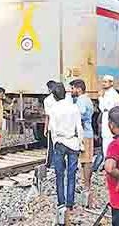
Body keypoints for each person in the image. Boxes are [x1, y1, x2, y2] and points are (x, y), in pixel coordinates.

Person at [49, 83, 83, 220]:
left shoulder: (53, 108)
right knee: (71, 174)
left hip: (60, 142)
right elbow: (79, 127)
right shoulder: (74, 107)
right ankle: (70, 203)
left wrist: (55, 142)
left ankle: (61, 202)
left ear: (54, 96)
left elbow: (52, 127)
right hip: (73, 143)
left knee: (59, 174)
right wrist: (80, 143)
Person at [69, 79, 95, 208]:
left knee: (86, 161)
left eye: (73, 88)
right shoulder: (86, 99)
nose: (71, 91)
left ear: (79, 88)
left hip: (84, 134)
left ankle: (86, 187)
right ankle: (86, 185)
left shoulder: (81, 100)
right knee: (86, 160)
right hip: (87, 133)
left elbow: (81, 113)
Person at [100, 75, 119, 155]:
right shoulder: (107, 93)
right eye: (103, 82)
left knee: (108, 141)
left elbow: (105, 108)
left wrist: (100, 98)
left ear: (111, 83)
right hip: (106, 119)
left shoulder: (113, 94)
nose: (103, 84)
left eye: (105, 82)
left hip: (110, 119)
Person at [43, 80, 59, 168]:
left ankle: (51, 163)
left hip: (52, 126)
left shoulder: (47, 100)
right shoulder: (62, 98)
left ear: (49, 89)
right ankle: (59, 163)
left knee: (51, 146)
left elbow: (47, 116)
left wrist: (45, 128)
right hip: (60, 126)